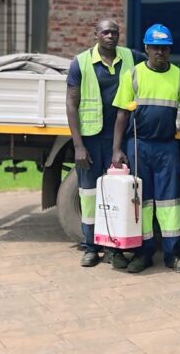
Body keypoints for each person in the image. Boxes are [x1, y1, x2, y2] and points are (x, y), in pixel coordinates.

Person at [111, 24, 180, 274]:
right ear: (147, 49)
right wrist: (117, 149)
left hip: (167, 147)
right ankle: (144, 253)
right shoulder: (133, 75)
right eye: (155, 48)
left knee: (170, 202)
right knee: (142, 202)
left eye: (165, 48)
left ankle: (173, 255)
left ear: (169, 50)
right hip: (139, 145)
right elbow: (121, 115)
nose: (160, 52)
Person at [65, 19, 144, 268]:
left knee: (118, 196)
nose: (110, 36)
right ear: (96, 34)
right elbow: (71, 104)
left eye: (115, 32)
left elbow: (157, 63)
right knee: (88, 195)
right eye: (105, 32)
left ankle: (114, 248)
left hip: (122, 139)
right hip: (91, 140)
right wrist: (78, 145)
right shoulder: (81, 62)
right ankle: (90, 248)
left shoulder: (132, 57)